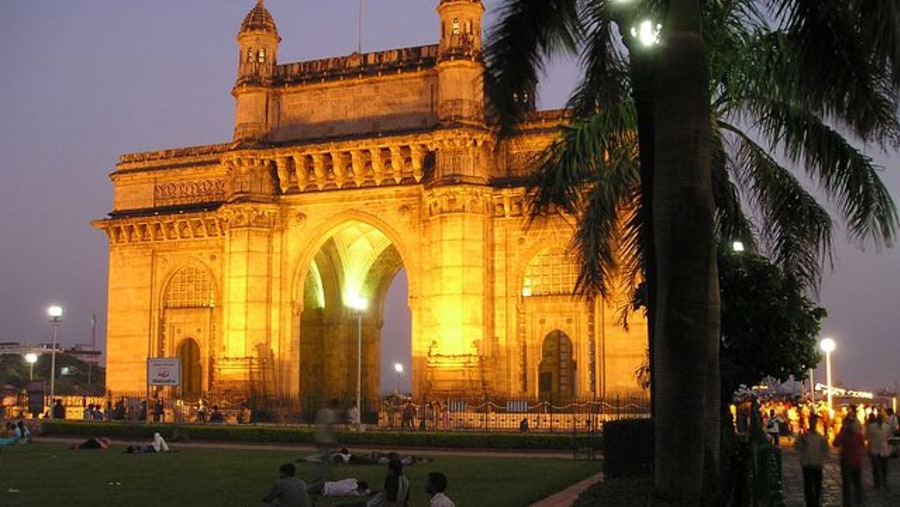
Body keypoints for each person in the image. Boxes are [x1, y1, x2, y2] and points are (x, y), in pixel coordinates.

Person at [794, 414, 829, 507]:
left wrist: (823, 458)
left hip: (817, 463)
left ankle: (816, 501)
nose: (813, 423)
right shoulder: (804, 436)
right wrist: (801, 441)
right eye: (812, 421)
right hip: (807, 464)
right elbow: (797, 446)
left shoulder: (820, 437)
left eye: (814, 421)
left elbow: (825, 450)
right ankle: (810, 503)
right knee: (808, 486)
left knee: (818, 485)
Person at [833, 411, 866, 507]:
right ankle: (855, 501)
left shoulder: (853, 435)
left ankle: (853, 501)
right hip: (852, 462)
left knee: (852, 484)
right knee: (854, 484)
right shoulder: (855, 435)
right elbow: (836, 443)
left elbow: (835, 443)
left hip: (849, 462)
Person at [314, 399, 339, 480]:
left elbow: (317, 424)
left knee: (324, 458)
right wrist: (333, 439)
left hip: (319, 437)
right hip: (326, 439)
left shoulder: (321, 411)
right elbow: (329, 426)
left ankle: (324, 475)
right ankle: (324, 476)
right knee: (326, 459)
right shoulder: (330, 413)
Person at [864, 412, 890, 490]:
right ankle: (877, 483)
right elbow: (867, 437)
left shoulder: (886, 427)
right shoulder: (871, 427)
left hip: (883, 449)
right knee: (876, 468)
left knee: (883, 467)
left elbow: (888, 436)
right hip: (874, 449)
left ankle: (883, 482)